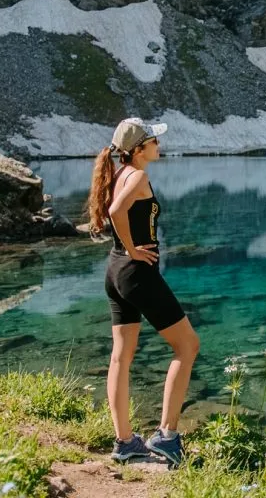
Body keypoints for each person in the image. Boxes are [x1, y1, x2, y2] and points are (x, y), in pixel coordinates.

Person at [86, 118, 199, 466]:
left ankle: (124, 441)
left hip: (115, 270)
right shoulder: (137, 175)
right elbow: (116, 211)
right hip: (136, 271)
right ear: (138, 150)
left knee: (121, 356)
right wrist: (136, 249)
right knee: (188, 345)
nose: (158, 145)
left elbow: (114, 211)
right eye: (153, 141)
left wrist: (125, 249)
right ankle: (167, 435)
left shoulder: (118, 174)